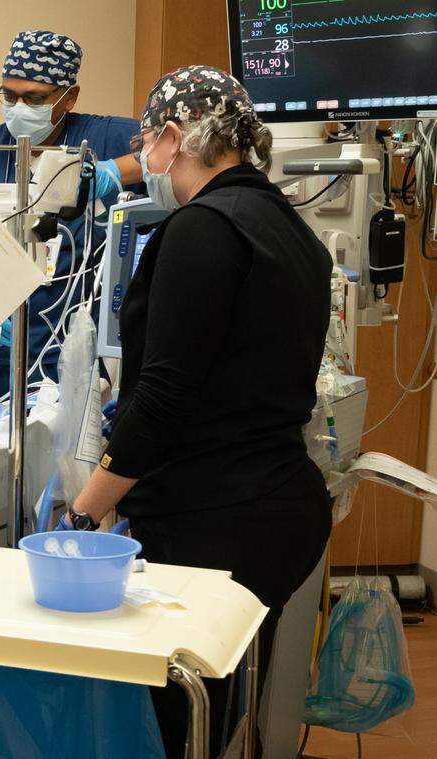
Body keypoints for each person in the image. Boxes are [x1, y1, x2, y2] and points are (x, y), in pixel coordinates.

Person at [64, 66, 333, 757]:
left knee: (172, 724)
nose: (146, 161)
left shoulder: (201, 228)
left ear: (173, 136)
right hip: (281, 511)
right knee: (219, 712)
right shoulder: (291, 231)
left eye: (146, 144)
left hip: (216, 520)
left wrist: (85, 512)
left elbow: (164, 397)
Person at [0, 30, 144, 408]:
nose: (19, 107)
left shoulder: (106, 138)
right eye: (9, 96)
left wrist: (112, 172)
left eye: (35, 98)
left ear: (69, 97)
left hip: (72, 355)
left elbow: (182, 147)